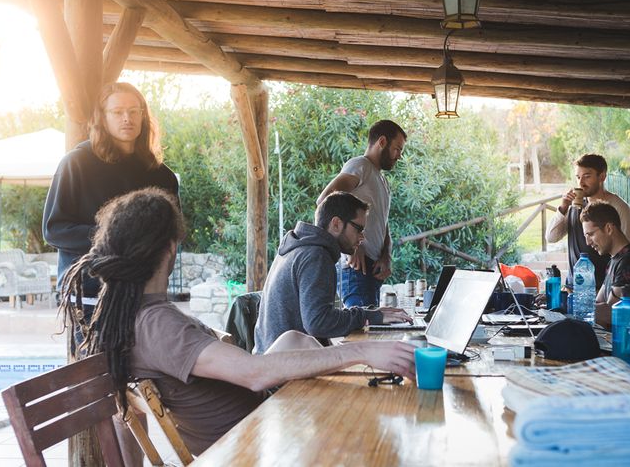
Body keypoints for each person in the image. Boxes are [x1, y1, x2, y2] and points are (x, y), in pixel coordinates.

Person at [62, 188, 416, 456]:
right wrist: (363, 351)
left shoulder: (141, 315)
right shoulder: (157, 326)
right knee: (368, 431)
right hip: (250, 444)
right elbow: (254, 372)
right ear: (170, 249)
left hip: (258, 422)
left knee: (295, 340)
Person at [43, 82, 179, 328]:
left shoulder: (162, 176)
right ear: (102, 118)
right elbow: (54, 230)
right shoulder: (76, 164)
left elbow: (170, 237)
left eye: (134, 111)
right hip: (90, 294)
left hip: (144, 294)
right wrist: (117, 240)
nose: (127, 118)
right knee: (97, 367)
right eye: (117, 112)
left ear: (143, 116)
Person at [254, 192, 412, 354]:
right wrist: (371, 317)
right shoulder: (316, 256)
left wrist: (371, 314)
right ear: (336, 224)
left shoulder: (298, 249)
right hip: (281, 368)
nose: (362, 237)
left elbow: (318, 318)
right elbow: (318, 323)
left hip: (270, 358)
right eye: (358, 229)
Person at [318, 120, 406, 307]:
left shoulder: (381, 179)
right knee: (360, 333)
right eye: (397, 149)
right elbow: (326, 201)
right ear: (382, 141)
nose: (399, 156)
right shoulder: (360, 166)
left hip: (372, 268)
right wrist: (352, 247)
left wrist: (386, 255)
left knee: (371, 331)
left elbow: (383, 222)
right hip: (355, 267)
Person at [579, 201, 630, 360]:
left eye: (590, 234)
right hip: (623, 345)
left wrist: (574, 310)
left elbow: (612, 313)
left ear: (609, 228)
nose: (587, 242)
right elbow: (597, 303)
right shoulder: (615, 260)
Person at [545, 154, 630, 290]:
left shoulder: (618, 207)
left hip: (602, 290)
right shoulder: (574, 206)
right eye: (578, 177)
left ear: (602, 177)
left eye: (587, 176)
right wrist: (563, 207)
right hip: (572, 289)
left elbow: (627, 253)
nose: (581, 183)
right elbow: (551, 237)